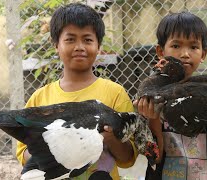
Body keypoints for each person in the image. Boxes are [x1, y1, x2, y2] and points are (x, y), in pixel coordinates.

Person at [16, 3, 137, 179]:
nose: (79, 46)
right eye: (70, 39)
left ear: (98, 45)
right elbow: (23, 154)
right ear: (56, 44)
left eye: (87, 40)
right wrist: (51, 148)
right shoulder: (40, 98)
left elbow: (128, 158)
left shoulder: (115, 94)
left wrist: (110, 138)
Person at [135, 12, 207, 180]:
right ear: (160, 51)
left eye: (193, 47)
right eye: (176, 46)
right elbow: (155, 157)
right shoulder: (150, 94)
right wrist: (154, 117)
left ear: (203, 54)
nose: (185, 53)